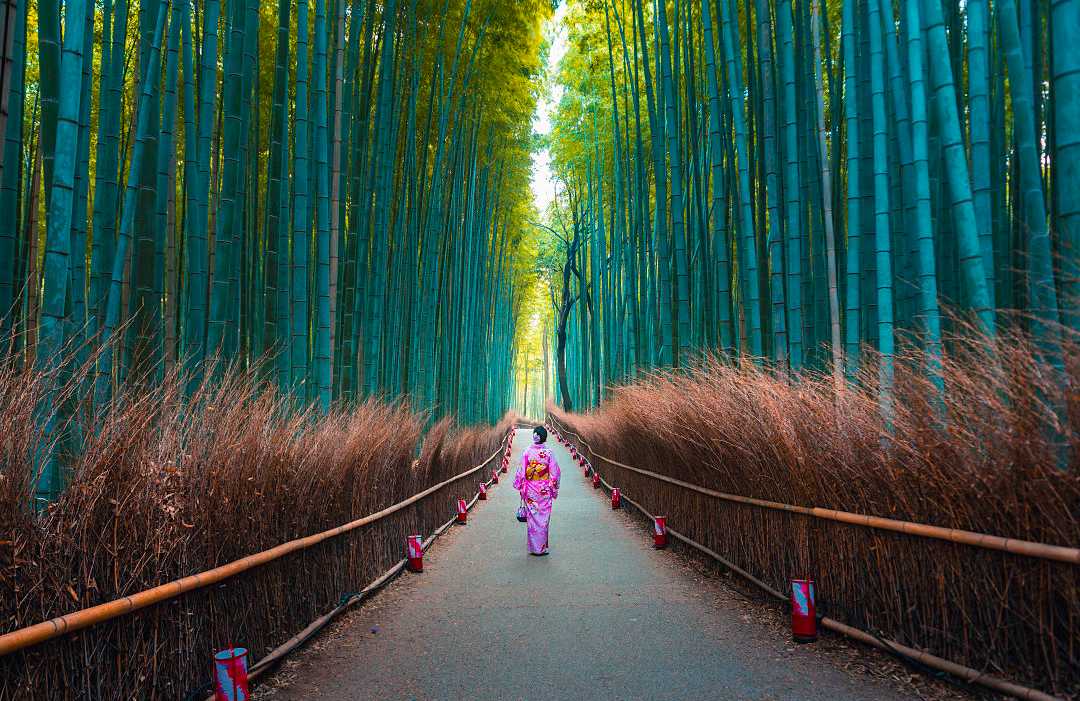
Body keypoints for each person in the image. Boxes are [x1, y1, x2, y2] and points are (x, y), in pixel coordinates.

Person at [514, 425, 561, 555]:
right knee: (541, 518)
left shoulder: (528, 451)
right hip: (542, 490)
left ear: (542, 437)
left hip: (533, 489)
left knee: (536, 518)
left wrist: (520, 485)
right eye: (534, 433)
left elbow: (521, 470)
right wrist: (554, 487)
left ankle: (536, 548)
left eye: (537, 434)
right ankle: (540, 548)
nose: (535, 435)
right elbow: (555, 472)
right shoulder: (548, 452)